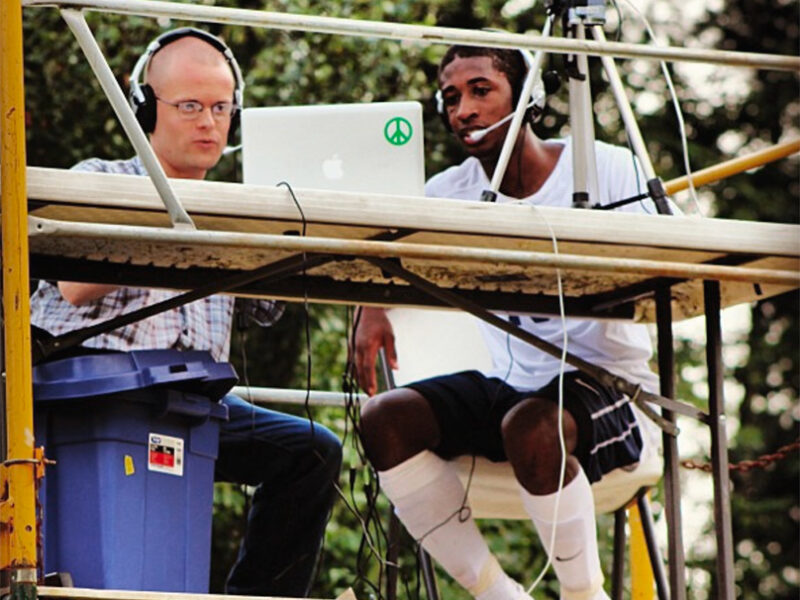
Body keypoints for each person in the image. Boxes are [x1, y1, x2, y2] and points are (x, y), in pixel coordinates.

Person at [30, 28, 342, 598]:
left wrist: (287, 225)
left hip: (192, 407)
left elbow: (272, 304)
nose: (209, 123)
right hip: (94, 397)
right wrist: (181, 219)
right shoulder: (99, 180)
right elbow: (75, 286)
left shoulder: (232, 206)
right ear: (145, 108)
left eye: (221, 108)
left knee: (312, 451)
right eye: (191, 106)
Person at [353, 45, 664, 600]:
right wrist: (371, 307)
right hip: (510, 387)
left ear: (528, 99)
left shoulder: (606, 166)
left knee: (531, 426)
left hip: (608, 383)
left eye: (480, 90)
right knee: (384, 419)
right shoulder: (449, 191)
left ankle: (583, 594)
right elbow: (390, 250)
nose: (463, 111)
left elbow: (665, 266)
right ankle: (498, 595)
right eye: (451, 98)